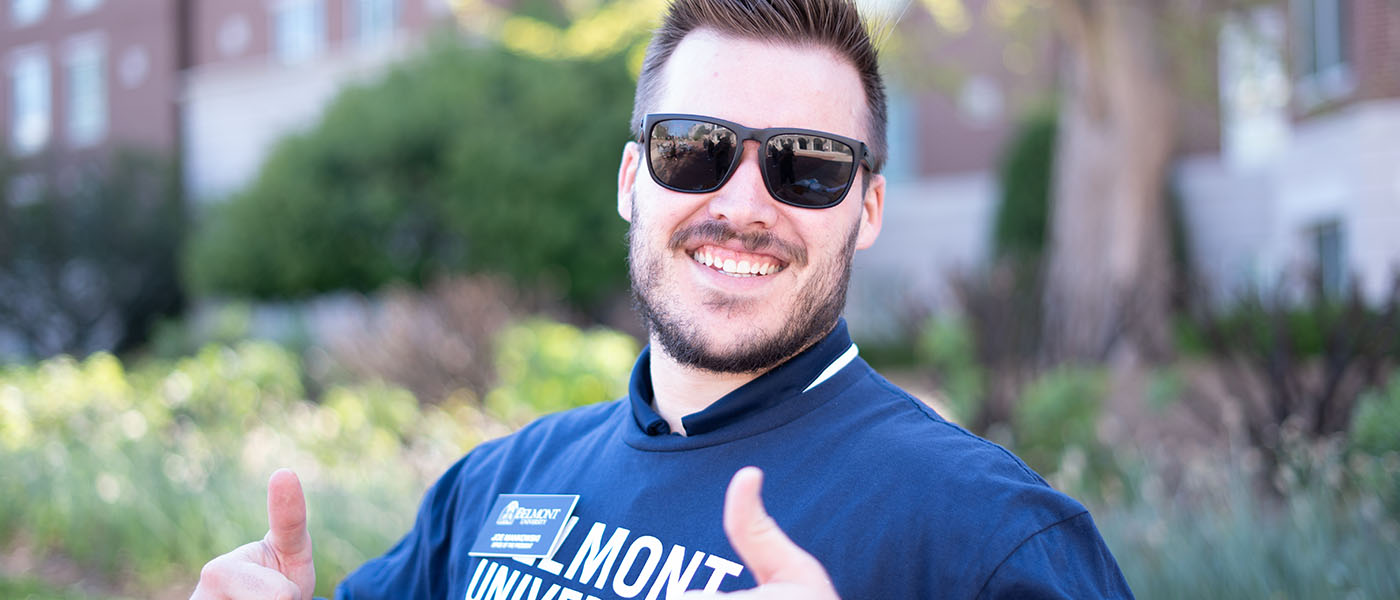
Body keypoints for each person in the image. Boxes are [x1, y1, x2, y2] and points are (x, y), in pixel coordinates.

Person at [191, 0, 1134, 598]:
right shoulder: (497, 485)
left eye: (807, 166)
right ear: (631, 181)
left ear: (869, 206)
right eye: (695, 149)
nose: (741, 205)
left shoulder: (986, 540)